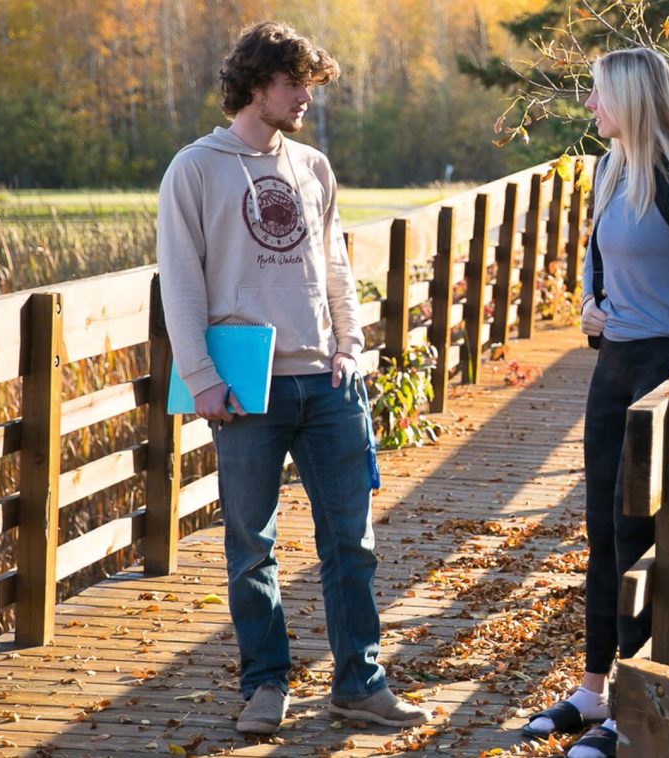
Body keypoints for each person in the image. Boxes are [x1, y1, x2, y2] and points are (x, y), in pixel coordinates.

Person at [156, 21, 429, 736]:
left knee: (352, 541)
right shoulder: (195, 169)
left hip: (327, 382)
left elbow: (333, 268)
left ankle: (359, 685)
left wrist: (351, 348)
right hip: (247, 388)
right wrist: (201, 377)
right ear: (255, 85)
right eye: (294, 82)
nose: (306, 96)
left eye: (311, 82)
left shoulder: (313, 168)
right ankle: (266, 686)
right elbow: (180, 284)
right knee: (252, 546)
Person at [517, 47, 669, 758]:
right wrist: (588, 305)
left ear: (633, 100)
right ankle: (593, 688)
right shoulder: (609, 168)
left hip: (661, 369)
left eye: (599, 95)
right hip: (611, 367)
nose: (589, 107)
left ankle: (631, 708)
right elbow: (594, 257)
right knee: (602, 530)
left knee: (637, 531)